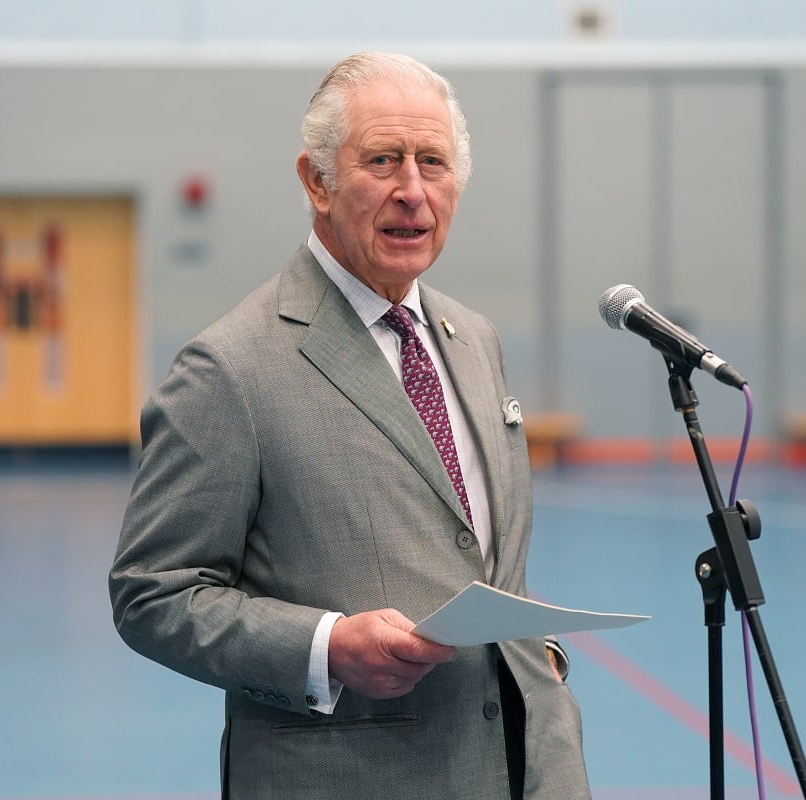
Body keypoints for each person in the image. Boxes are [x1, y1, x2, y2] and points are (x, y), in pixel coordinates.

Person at [109, 51, 592, 800]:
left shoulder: (474, 340)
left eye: (433, 162)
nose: (412, 191)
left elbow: (481, 559)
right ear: (316, 181)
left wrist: (540, 658)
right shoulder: (230, 368)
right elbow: (153, 594)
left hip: (529, 768)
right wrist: (326, 647)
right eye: (383, 161)